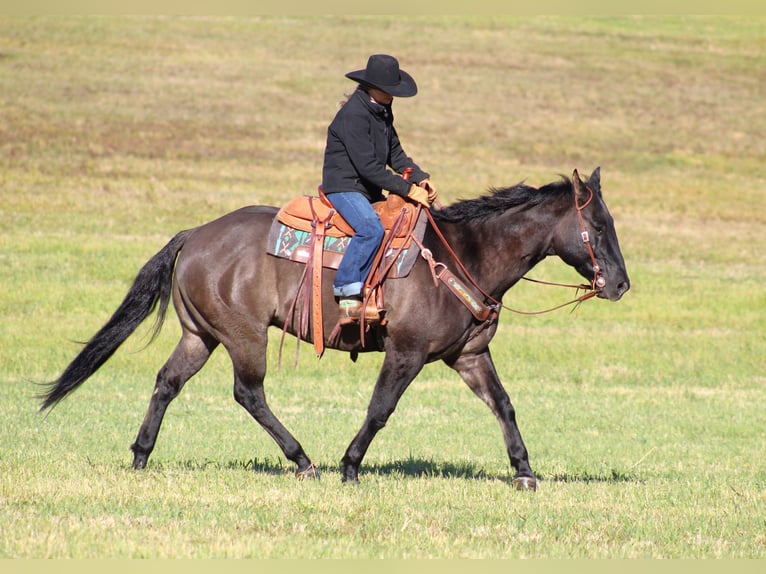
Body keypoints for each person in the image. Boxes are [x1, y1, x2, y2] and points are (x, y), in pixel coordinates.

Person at [321, 54, 437, 323]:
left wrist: (420, 178)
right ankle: (347, 293)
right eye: (389, 90)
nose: (393, 96)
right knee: (370, 229)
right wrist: (407, 190)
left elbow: (395, 153)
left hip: (367, 188)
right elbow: (369, 168)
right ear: (373, 87)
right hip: (345, 187)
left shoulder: (382, 109)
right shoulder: (353, 116)